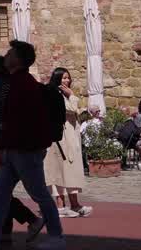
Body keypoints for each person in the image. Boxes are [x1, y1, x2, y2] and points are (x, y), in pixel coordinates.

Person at [0, 41, 65, 250]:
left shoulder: (23, 84)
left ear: (17, 59)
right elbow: (11, 119)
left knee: (39, 193)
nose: (7, 55)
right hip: (13, 148)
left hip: (25, 149)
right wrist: (4, 146)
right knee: (0, 190)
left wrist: (4, 146)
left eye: (10, 53)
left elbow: (19, 120)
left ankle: (57, 236)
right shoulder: (17, 82)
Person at [0, 54, 43, 245]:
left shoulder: (2, 89)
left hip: (1, 145)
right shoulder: (1, 88)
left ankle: (32, 219)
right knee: (0, 190)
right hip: (0, 143)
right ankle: (4, 232)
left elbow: (0, 119)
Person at [43, 67, 92, 218]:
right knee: (59, 172)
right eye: (64, 78)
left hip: (71, 138)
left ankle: (75, 204)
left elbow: (77, 113)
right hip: (60, 139)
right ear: (57, 79)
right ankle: (60, 206)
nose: (67, 81)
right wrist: (72, 96)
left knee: (72, 172)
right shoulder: (56, 95)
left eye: (68, 78)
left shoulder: (64, 95)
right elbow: (70, 109)